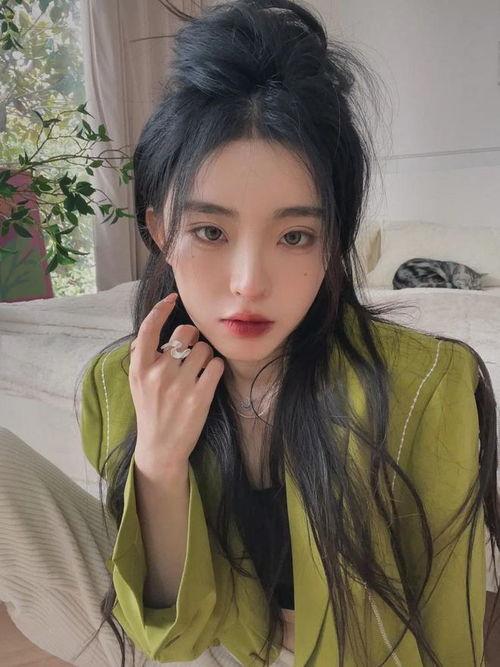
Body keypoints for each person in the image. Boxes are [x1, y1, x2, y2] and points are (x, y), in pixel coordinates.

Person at [1, 0, 498, 665]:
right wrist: (159, 460)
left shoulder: (426, 385)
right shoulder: (118, 383)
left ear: (334, 241)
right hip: (197, 646)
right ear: (159, 229)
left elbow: (446, 624)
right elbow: (173, 633)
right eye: (210, 230)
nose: (248, 283)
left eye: (295, 236)